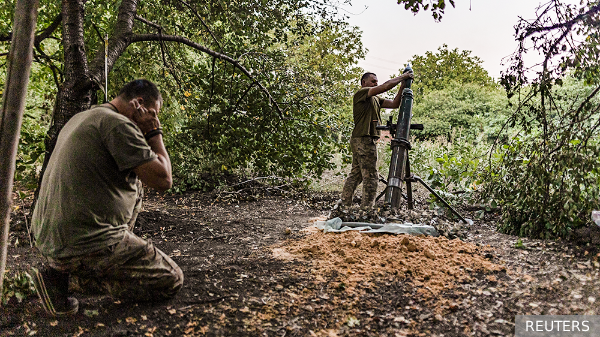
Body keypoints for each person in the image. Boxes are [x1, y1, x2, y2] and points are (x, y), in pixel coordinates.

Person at [30, 79, 183, 316]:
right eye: (153, 114)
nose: (152, 120)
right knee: (170, 278)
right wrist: (154, 132)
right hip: (86, 242)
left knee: (135, 178)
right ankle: (70, 280)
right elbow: (164, 180)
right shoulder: (118, 124)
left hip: (50, 237)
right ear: (138, 103)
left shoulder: (83, 117)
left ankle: (60, 272)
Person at [341, 71, 414, 209]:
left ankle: (344, 206)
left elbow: (394, 104)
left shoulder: (375, 99)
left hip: (361, 139)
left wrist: (402, 86)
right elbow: (385, 86)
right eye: (373, 81)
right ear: (364, 83)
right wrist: (402, 77)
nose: (376, 83)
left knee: (356, 175)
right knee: (371, 177)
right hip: (364, 139)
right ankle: (367, 210)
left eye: (376, 81)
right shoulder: (361, 93)